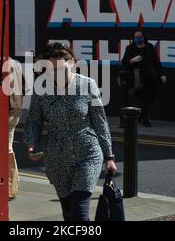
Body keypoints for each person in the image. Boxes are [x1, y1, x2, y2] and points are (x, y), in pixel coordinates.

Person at [25, 42, 117, 221]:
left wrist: (109, 157)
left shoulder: (88, 85)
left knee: (80, 211)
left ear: (73, 63)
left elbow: (101, 123)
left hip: (87, 153)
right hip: (57, 157)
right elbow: (34, 119)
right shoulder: (40, 88)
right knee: (68, 212)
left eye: (60, 69)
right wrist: (31, 143)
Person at [121, 30, 166, 127]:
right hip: (136, 76)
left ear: (143, 37)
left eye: (140, 37)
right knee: (141, 98)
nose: (138, 39)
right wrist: (132, 60)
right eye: (136, 37)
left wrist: (162, 74)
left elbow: (156, 62)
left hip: (149, 76)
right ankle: (145, 118)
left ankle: (142, 115)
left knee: (150, 98)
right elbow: (124, 62)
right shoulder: (130, 48)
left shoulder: (149, 47)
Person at [7, 58, 30, 200]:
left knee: (3, 149)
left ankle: (10, 187)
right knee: (8, 147)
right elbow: (25, 86)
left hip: (5, 110)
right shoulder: (15, 63)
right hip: (15, 109)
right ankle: (12, 187)